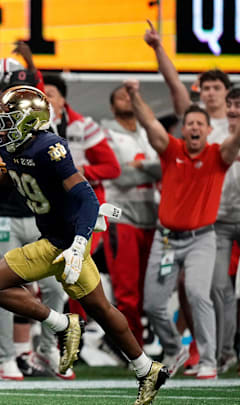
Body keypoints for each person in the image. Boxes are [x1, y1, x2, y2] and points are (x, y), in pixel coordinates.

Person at [0, 85, 168, 405]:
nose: (2, 127)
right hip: (52, 240)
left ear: (29, 120)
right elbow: (5, 189)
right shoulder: (13, 149)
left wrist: (79, 246)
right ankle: (140, 364)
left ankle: (78, 331)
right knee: (101, 310)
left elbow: (86, 197)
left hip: (65, 242)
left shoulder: (49, 147)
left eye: (9, 119)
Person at [127, 79, 240, 380]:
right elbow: (150, 123)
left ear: (207, 130)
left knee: (197, 294)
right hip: (165, 240)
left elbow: (236, 140)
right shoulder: (171, 150)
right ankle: (174, 347)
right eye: (189, 122)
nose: (193, 127)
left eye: (199, 124)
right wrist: (135, 95)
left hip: (201, 239)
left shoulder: (218, 155)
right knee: (152, 304)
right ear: (183, 128)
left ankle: (208, 360)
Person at [101, 85, 162, 348]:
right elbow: (118, 173)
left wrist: (143, 166)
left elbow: (166, 168)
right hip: (122, 218)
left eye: (131, 95)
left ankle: (154, 344)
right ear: (112, 106)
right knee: (126, 292)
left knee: (153, 291)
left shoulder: (151, 133)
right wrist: (151, 168)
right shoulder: (105, 134)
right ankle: (132, 348)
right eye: (121, 96)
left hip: (154, 217)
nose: (127, 98)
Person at [213, 88, 240, 373]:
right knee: (219, 288)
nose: (233, 109)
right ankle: (225, 353)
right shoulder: (213, 132)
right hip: (219, 221)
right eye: (230, 104)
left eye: (239, 105)